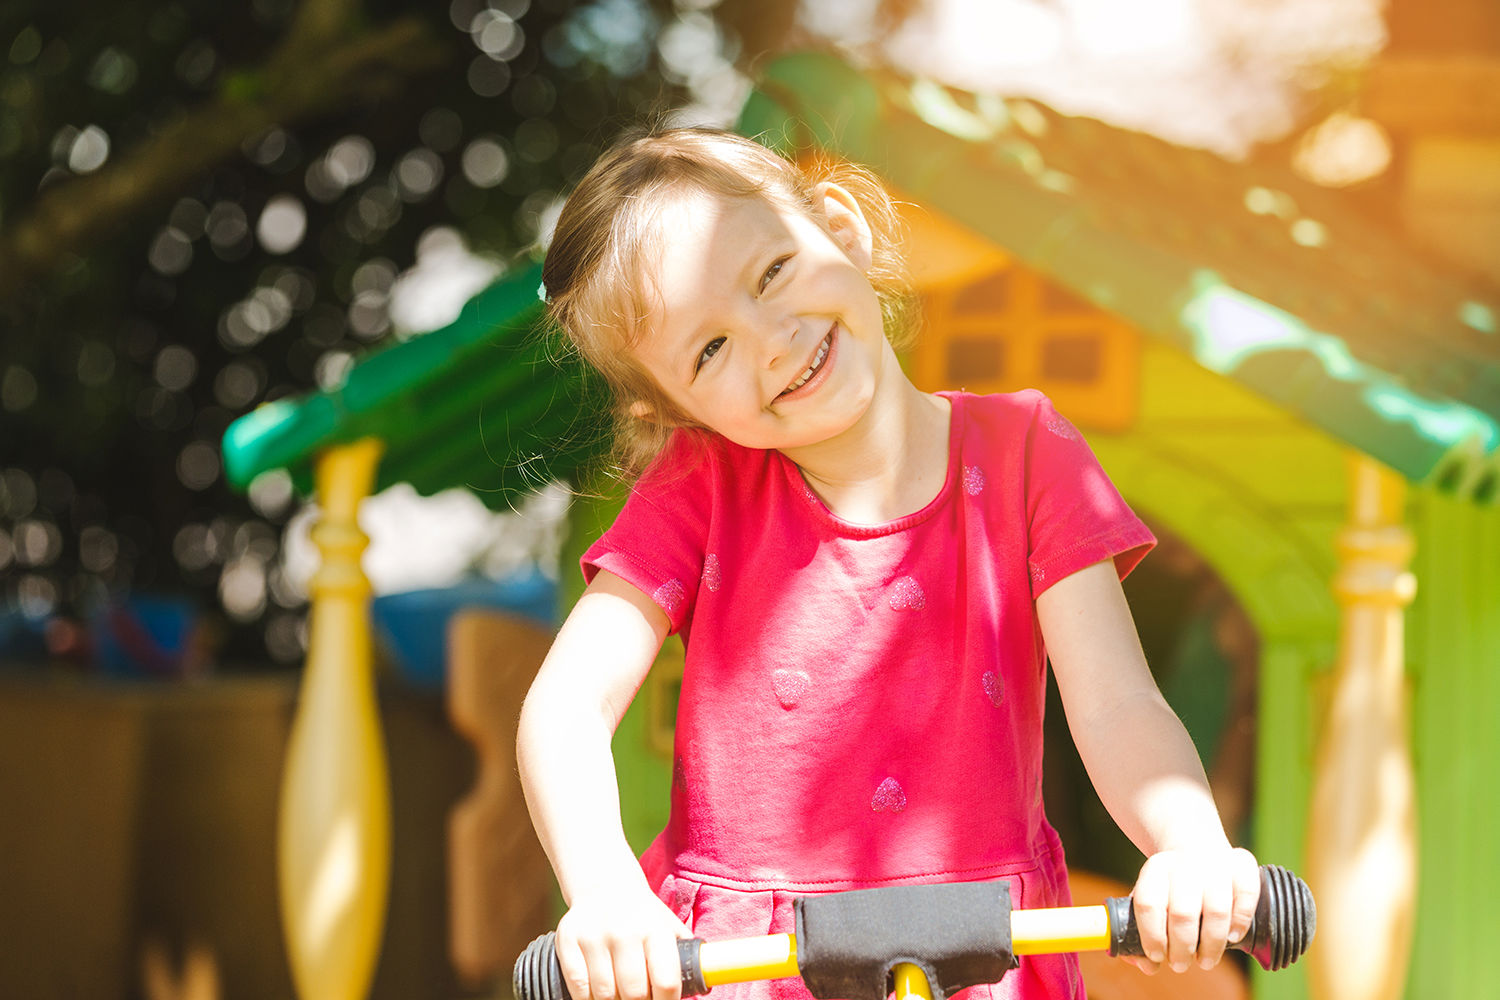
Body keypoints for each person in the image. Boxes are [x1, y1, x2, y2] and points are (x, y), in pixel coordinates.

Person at [516, 126, 1260, 1000]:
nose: (771, 339)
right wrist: (606, 895)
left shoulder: (1027, 454)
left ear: (839, 227)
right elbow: (565, 711)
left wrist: (1189, 847)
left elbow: (1117, 705)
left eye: (772, 273)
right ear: (668, 409)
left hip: (986, 949)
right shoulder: (701, 488)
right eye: (709, 350)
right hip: (752, 966)